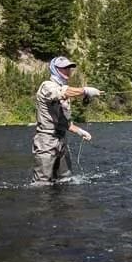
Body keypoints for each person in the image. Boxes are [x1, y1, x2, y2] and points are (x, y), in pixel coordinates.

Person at [31, 56, 102, 184]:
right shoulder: (47, 86)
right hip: (46, 140)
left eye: (69, 68)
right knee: (42, 184)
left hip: (62, 141)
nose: (68, 70)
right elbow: (62, 92)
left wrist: (80, 131)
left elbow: (66, 123)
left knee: (66, 180)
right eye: (64, 68)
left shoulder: (67, 91)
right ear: (55, 69)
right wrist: (85, 90)